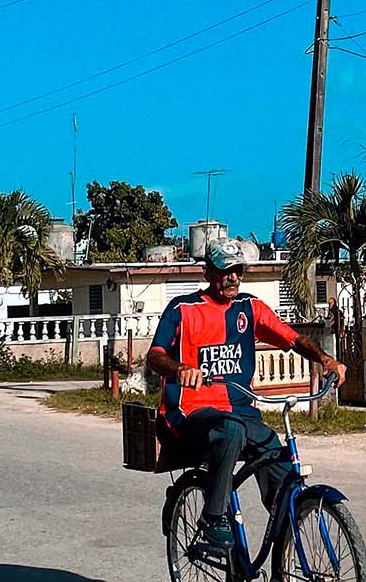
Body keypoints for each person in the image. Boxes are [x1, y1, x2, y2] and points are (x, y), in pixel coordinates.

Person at [146, 237, 345, 564]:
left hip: (242, 413)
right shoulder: (183, 310)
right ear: (208, 272)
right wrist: (179, 369)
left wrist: (326, 360)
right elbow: (154, 356)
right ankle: (212, 518)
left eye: (238, 271)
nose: (233, 278)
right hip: (190, 414)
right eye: (226, 271)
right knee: (231, 430)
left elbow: (294, 339)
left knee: (287, 484)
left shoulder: (249, 309)